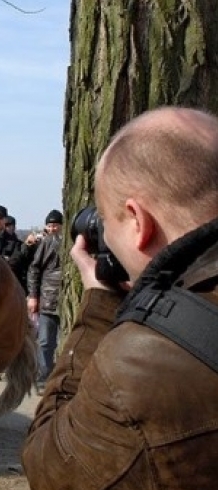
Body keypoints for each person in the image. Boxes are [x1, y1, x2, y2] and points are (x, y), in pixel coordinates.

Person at [22, 107, 218, 488]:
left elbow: (53, 470)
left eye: (107, 224)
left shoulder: (144, 358)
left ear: (138, 222)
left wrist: (98, 303)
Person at [25, 209, 63, 393]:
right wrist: (33, 296)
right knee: (46, 341)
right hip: (48, 299)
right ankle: (43, 379)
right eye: (50, 225)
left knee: (65, 341)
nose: (52, 228)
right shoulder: (47, 243)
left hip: (65, 301)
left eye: (55, 225)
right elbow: (34, 270)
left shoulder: (70, 242)